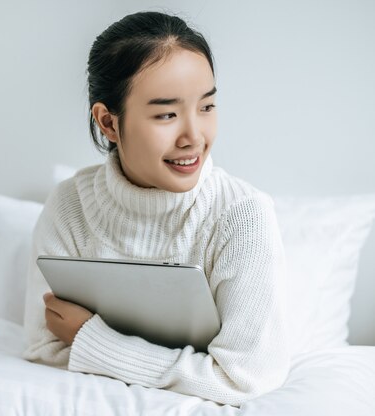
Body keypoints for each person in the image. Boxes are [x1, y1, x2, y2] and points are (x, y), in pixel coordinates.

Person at [22, 11, 289, 407]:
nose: (194, 137)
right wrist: (194, 372)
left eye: (207, 107)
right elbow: (44, 347)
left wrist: (92, 342)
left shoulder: (244, 215)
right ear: (108, 123)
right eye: (167, 114)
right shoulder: (69, 204)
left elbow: (242, 379)